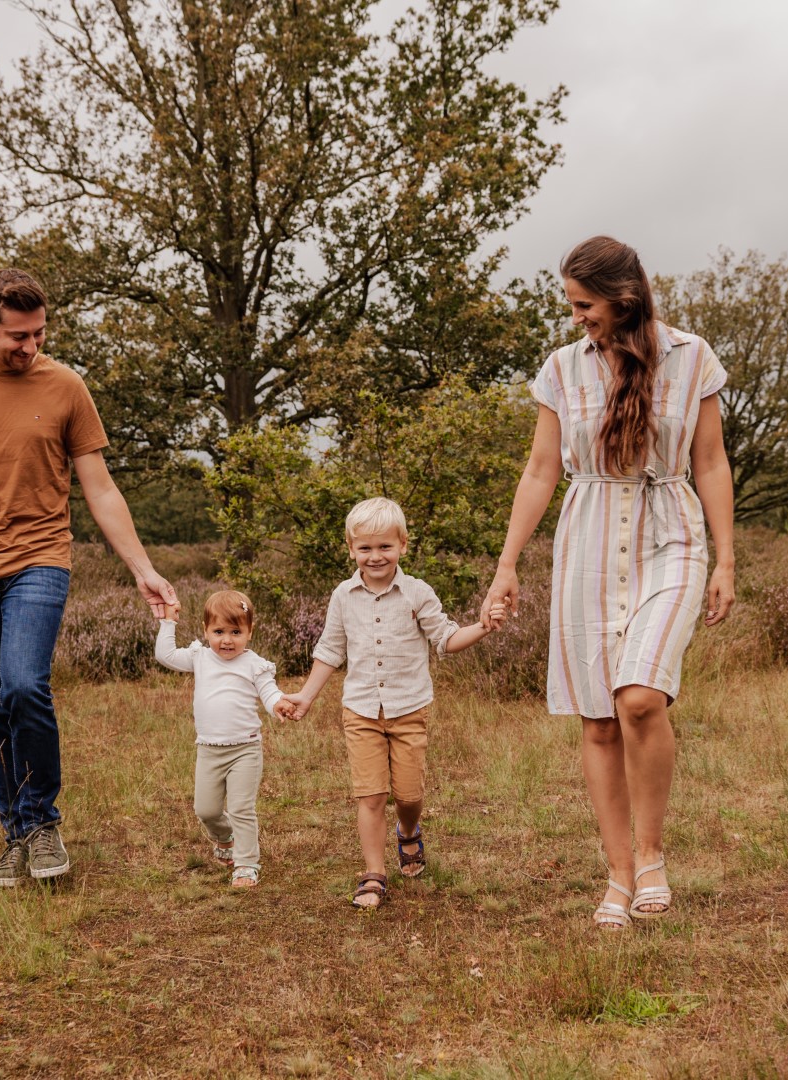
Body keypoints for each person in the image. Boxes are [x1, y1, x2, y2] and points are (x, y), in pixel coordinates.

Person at [0, 268, 177, 888]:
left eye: (39, 333)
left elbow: (98, 485)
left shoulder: (67, 386)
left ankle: (42, 821)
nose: (30, 347)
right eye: (17, 336)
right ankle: (16, 835)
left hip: (40, 558)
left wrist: (142, 569)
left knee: (23, 686)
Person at [480, 236, 735, 930]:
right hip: (588, 535)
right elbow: (540, 471)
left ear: (623, 299)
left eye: (584, 304)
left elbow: (710, 462)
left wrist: (728, 558)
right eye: (571, 305)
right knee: (599, 718)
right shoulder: (562, 369)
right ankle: (619, 875)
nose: (576, 318)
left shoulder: (691, 357)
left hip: (671, 532)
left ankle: (651, 855)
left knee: (641, 697)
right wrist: (507, 566)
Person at [279, 497, 506, 908]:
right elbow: (330, 649)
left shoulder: (417, 592)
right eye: (365, 548)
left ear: (402, 544)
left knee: (407, 795)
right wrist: (306, 697)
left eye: (385, 546)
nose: (375, 556)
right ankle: (374, 874)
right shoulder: (343, 596)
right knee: (371, 795)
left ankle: (408, 830)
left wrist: (483, 627)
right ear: (351, 549)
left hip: (409, 709)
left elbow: (446, 640)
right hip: (361, 710)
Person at [154, 590, 291, 888]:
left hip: (245, 749)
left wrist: (277, 703)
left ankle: (246, 864)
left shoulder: (254, 664)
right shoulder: (200, 658)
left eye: (235, 632)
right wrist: (168, 622)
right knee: (206, 810)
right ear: (206, 631)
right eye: (218, 632)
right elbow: (164, 656)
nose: (226, 640)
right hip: (208, 749)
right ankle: (224, 837)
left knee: (242, 808)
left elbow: (268, 691)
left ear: (249, 632)